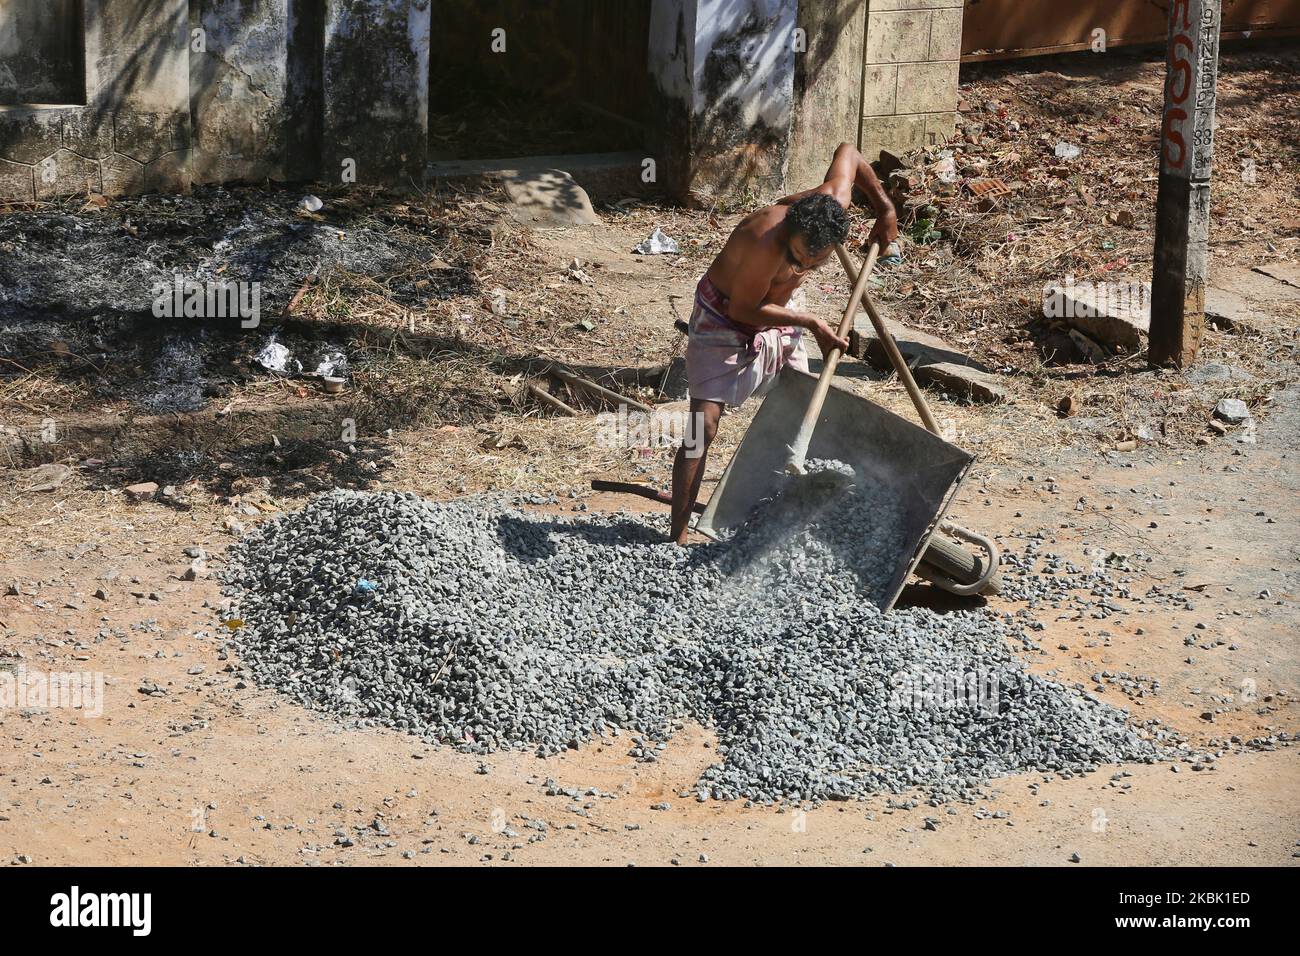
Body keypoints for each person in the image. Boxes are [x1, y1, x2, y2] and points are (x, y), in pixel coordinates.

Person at [669, 142, 899, 545]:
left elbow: (849, 152)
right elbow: (744, 309)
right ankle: (678, 535)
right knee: (701, 425)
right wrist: (810, 321)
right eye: (796, 260)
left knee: (802, 409)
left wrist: (884, 208)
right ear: (790, 232)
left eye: (816, 263)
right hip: (725, 315)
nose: (804, 268)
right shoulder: (765, 239)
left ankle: (773, 518)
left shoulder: (832, 204)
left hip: (778, 311)